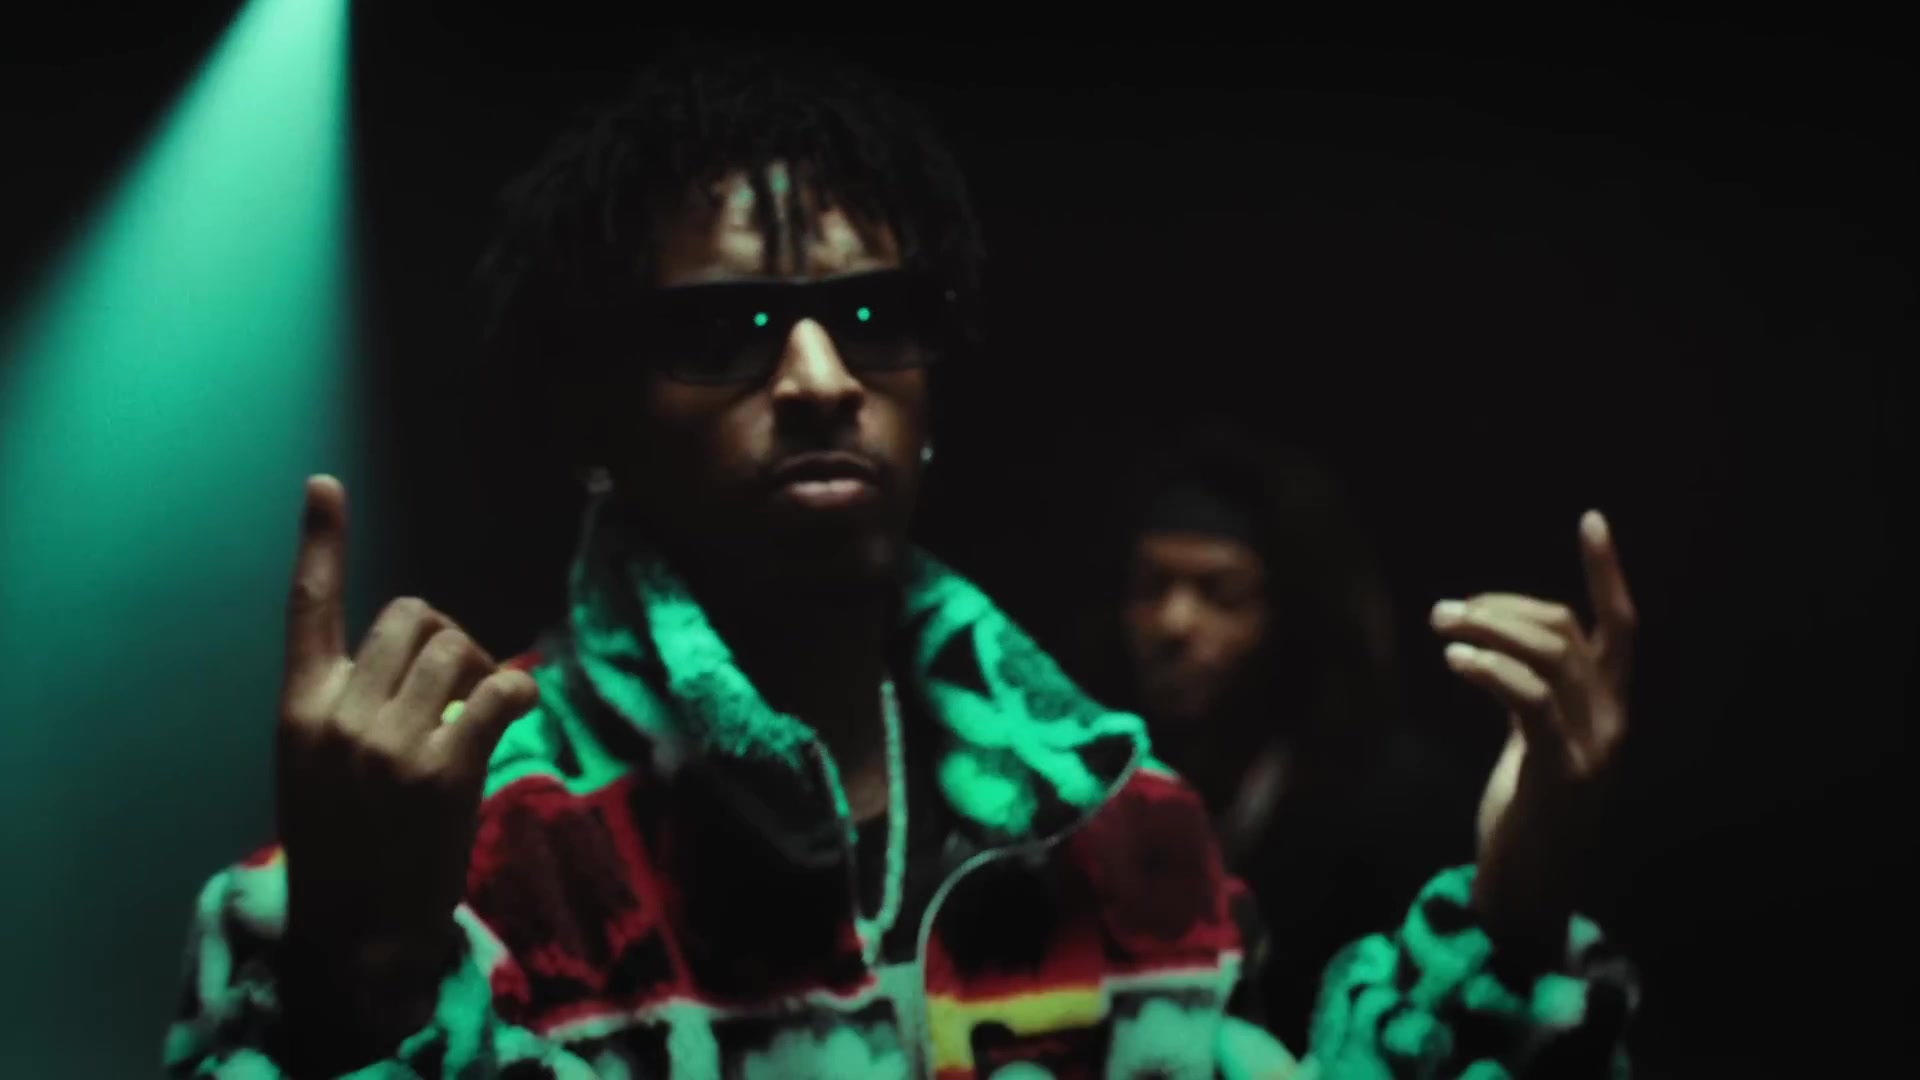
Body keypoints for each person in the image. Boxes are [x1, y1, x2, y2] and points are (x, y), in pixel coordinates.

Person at [166, 41, 1641, 1078]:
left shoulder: (1115, 824)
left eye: (872, 317)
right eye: (725, 329)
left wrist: (1512, 915)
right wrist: (360, 971)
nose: (819, 376)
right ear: (595, 417)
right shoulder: (484, 837)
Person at [1092, 425, 1478, 1049]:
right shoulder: (1089, 788)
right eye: (1150, 587)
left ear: (1291, 615)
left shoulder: (1394, 805)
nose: (1173, 622)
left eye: (1222, 593)